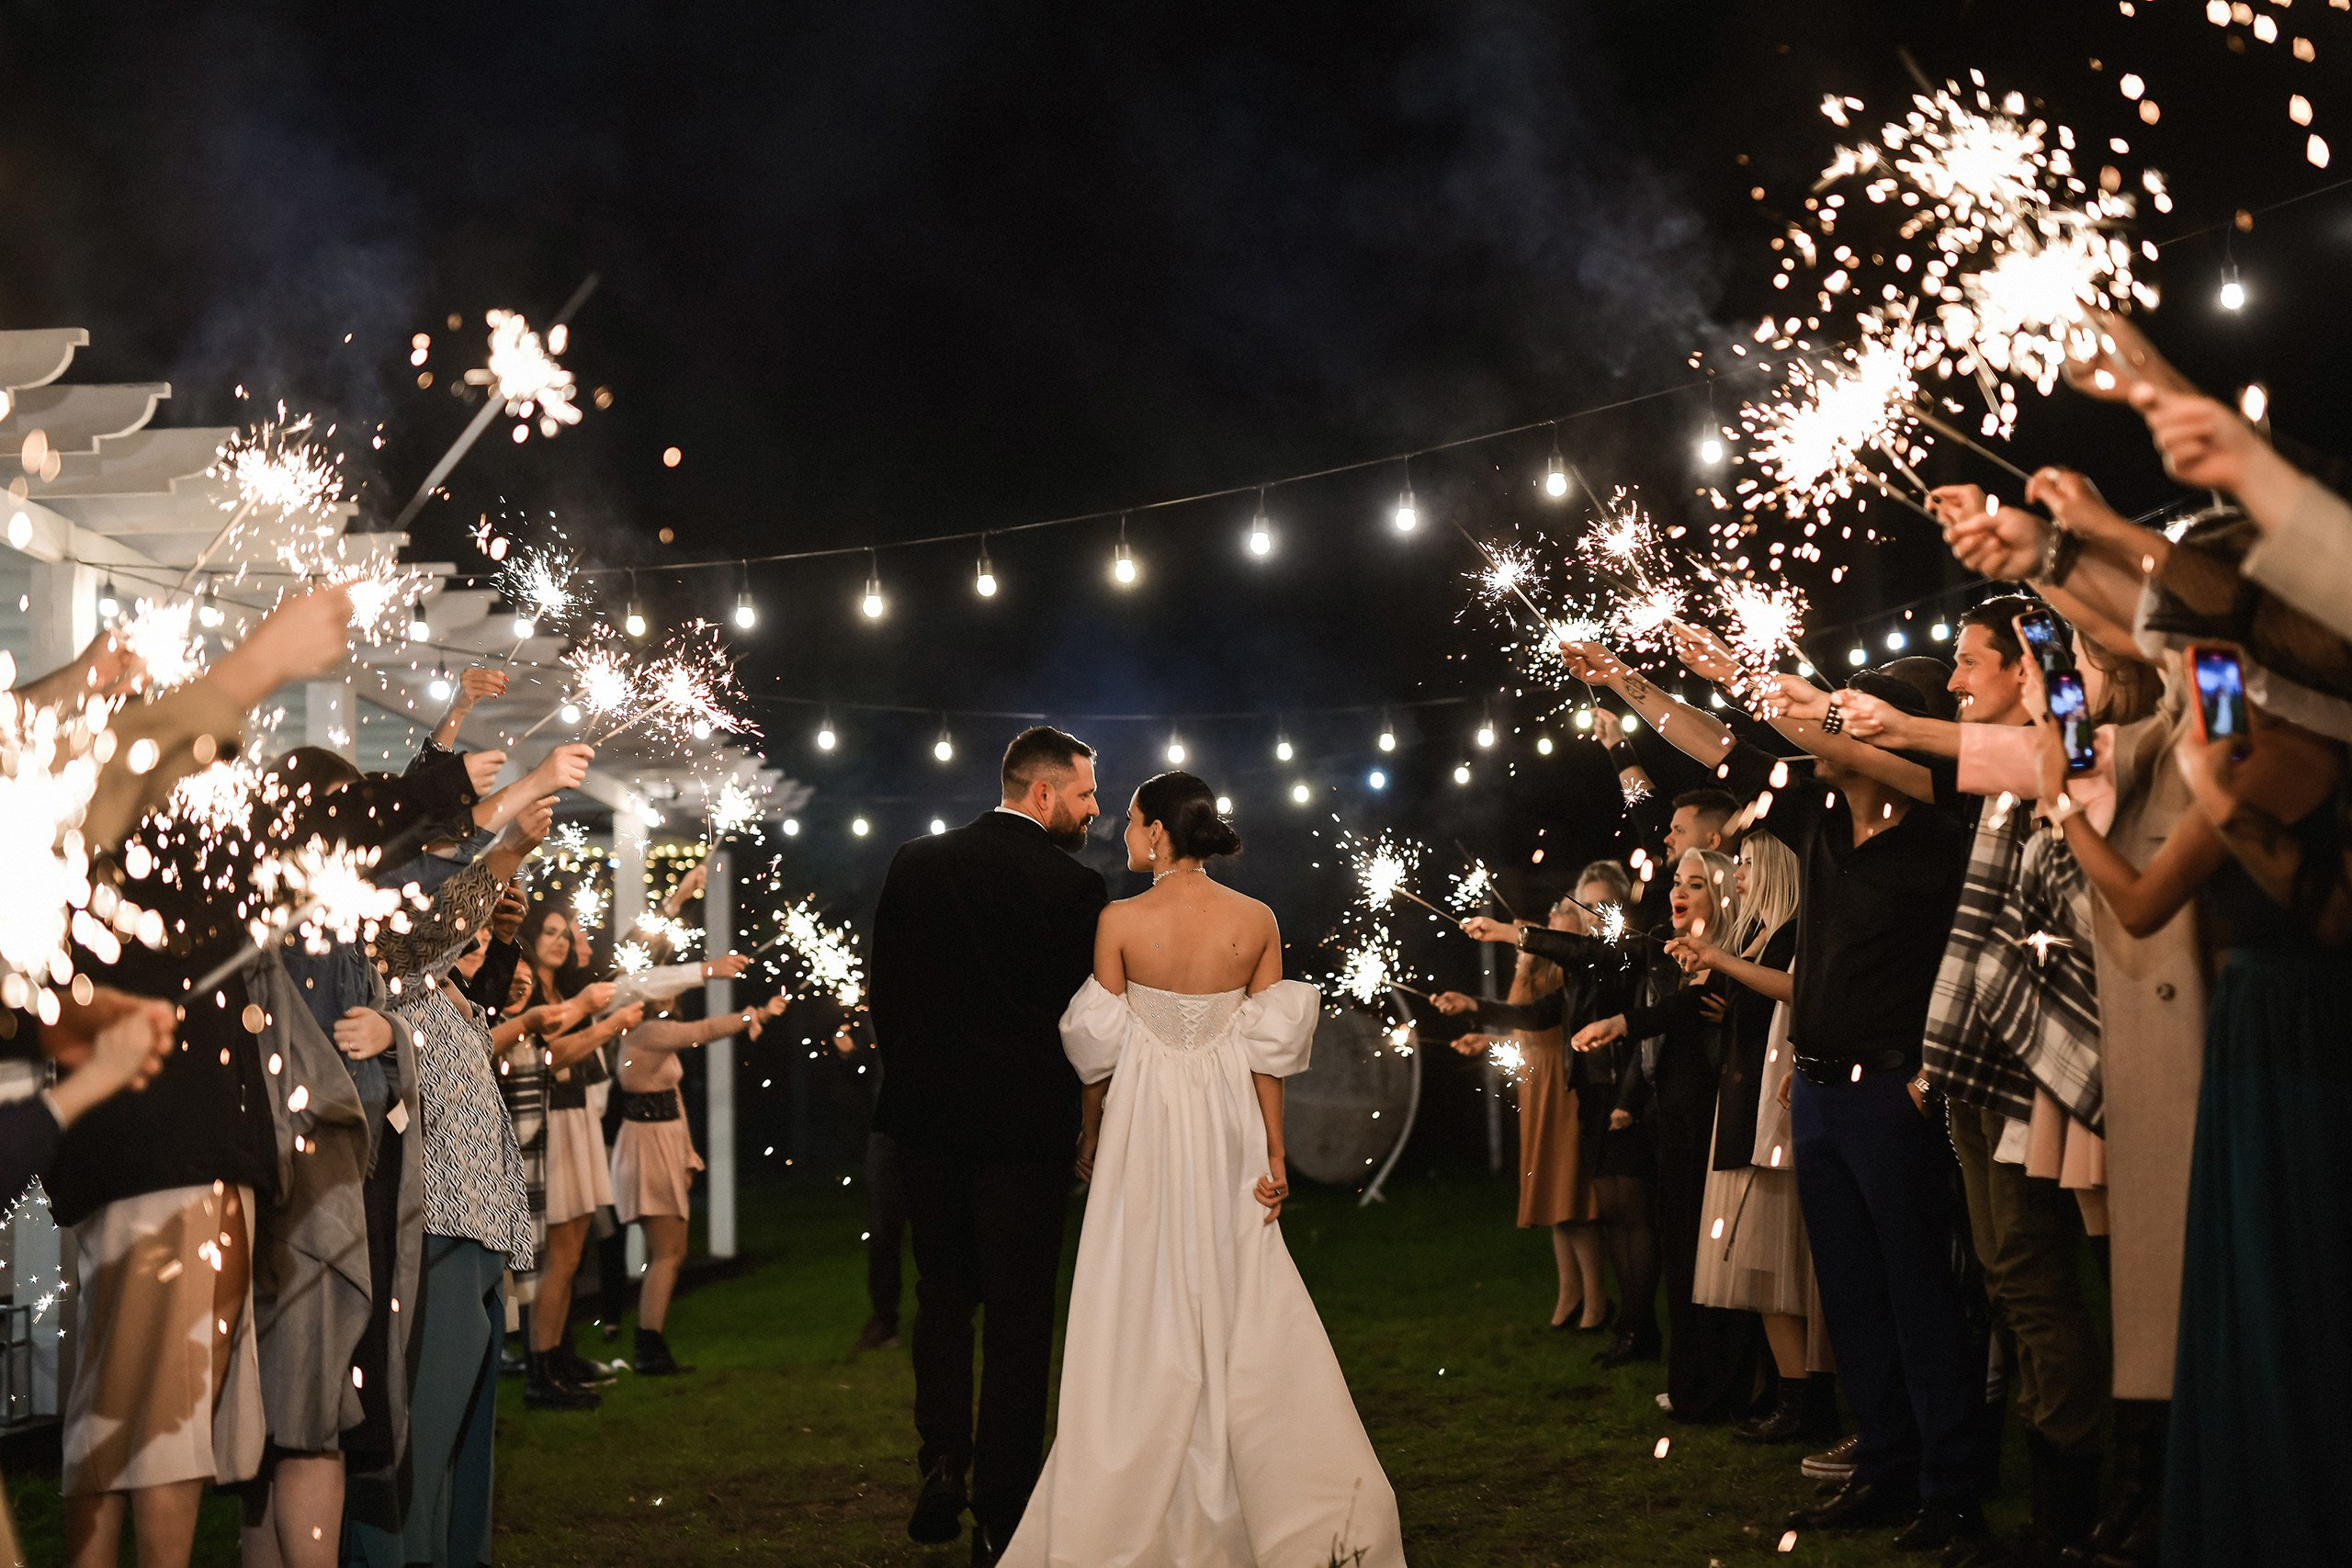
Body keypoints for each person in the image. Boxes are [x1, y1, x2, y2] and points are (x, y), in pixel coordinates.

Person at [1001, 772, 1404, 1567]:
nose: (1121, 834)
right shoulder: (1256, 919)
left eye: (1130, 823)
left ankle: (1131, 1473)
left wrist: (1090, 1134)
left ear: (1157, 831)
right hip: (1226, 1121)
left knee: (1139, 1282)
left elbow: (1099, 1054)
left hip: (1144, 1125)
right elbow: (1268, 1053)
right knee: (1239, 1281)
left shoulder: (1118, 918)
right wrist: (1274, 1148)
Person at [867, 727, 1108, 1565]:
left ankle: (941, 1457)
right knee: (1018, 1316)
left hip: (928, 1124)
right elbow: (1082, 1019)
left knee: (941, 1292)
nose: (1093, 809)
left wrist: (915, 1079)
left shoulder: (915, 861)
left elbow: (883, 989)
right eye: (1083, 794)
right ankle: (1002, 1511)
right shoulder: (1078, 888)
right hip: (1024, 1131)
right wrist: (1086, 1118)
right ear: (1041, 794)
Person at [1661, 830, 1837, 1446]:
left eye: (1747, 862)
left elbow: (1796, 993)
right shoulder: (1754, 935)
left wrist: (1721, 963)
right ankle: (1791, 1393)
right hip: (1740, 1104)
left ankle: (1805, 1399)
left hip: (1773, 1110)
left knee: (1776, 1263)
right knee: (1760, 1269)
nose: (1737, 872)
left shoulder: (1790, 934)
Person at [1571, 848, 1758, 1425]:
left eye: (1695, 885)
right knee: (1680, 1252)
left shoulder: (1730, 963)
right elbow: (1593, 952)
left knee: (1712, 1257)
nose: (1678, 893)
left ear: (1722, 896)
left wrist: (1619, 1023)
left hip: (1713, 1128)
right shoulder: (1667, 957)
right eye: (1677, 882)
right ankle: (1691, 1383)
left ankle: (1723, 1386)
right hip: (1672, 1127)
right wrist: (1515, 935)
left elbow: (1682, 1012)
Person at [1435, 881, 1618, 1333]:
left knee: (1570, 1195)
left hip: (1563, 1079)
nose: (1552, 916)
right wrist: (1484, 1020)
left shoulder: (1569, 963)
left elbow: (1546, 1021)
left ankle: (1597, 1300)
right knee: (1553, 1199)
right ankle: (1570, 1294)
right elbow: (1527, 1019)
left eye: (1562, 911)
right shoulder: (1539, 961)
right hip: (1540, 1079)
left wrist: (1516, 941)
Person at [610, 970, 784, 1375]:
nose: (673, 991)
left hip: (662, 1145)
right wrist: (751, 1014)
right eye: (666, 986)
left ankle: (650, 1345)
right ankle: (648, 1349)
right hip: (647, 1148)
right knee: (669, 1252)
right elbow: (704, 1031)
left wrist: (687, 1155)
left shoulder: (657, 1033)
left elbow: (673, 1100)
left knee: (669, 1252)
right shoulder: (645, 1033)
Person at [512, 906, 644, 1409]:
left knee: (572, 1250)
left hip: (577, 1120)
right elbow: (552, 1055)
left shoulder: (560, 993)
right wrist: (605, 1026)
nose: (562, 942)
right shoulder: (524, 986)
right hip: (555, 1125)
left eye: (566, 934)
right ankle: (540, 1370)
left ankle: (557, 1359)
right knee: (560, 1254)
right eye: (550, 932)